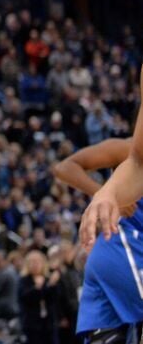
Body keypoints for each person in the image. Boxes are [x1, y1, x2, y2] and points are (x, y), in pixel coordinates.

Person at [54, 135, 143, 342]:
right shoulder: (128, 149)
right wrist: (104, 194)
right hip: (122, 244)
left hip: (125, 253)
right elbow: (65, 167)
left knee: (106, 334)